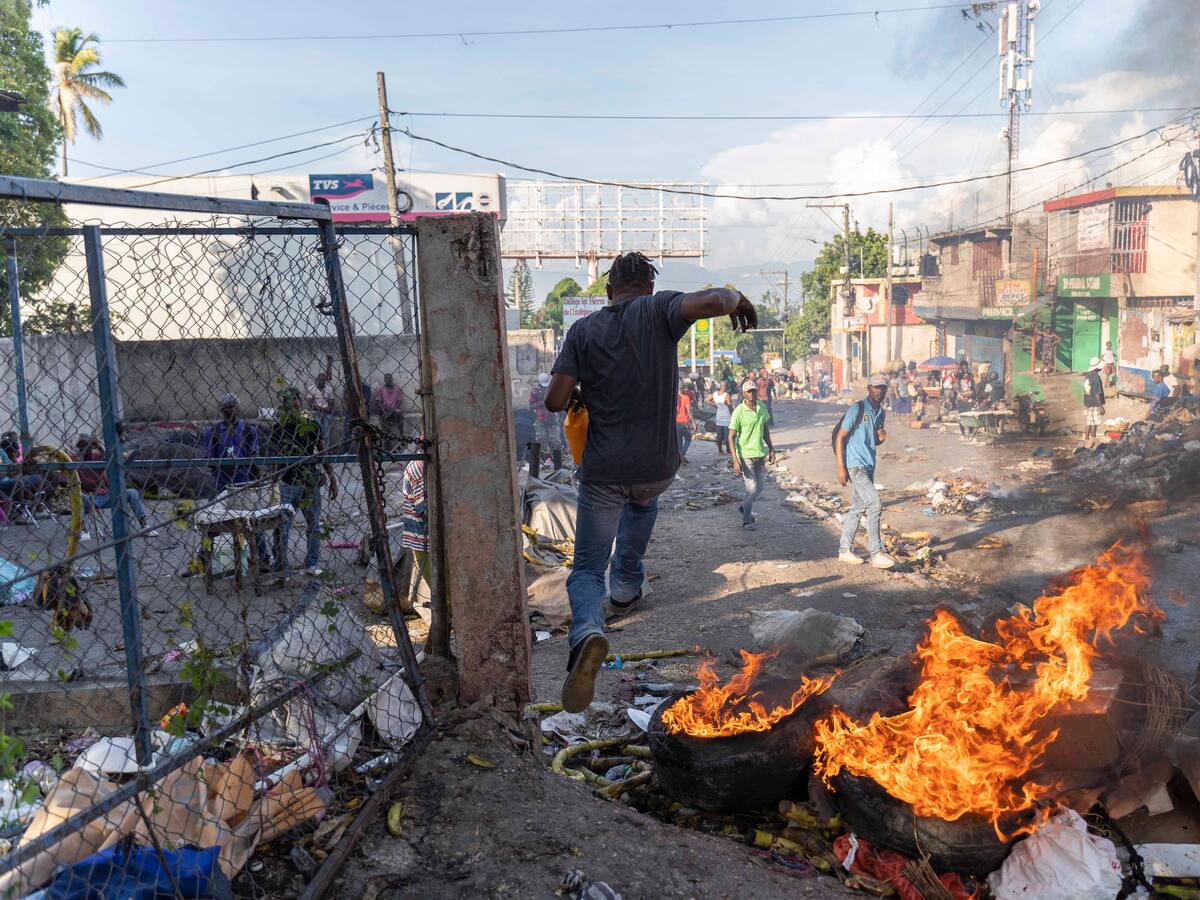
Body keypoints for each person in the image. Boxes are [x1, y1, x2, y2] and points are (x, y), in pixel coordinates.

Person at [544, 251, 758, 712]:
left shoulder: (582, 331)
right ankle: (625, 587)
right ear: (647, 285)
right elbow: (717, 298)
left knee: (585, 569)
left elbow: (554, 398)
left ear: (608, 291)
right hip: (657, 467)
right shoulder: (660, 309)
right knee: (643, 505)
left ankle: (587, 632)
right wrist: (736, 299)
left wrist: (581, 390)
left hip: (604, 470)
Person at [270, 387, 338, 577]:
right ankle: (281, 564)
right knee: (283, 526)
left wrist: (332, 477)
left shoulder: (312, 425)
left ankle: (312, 563)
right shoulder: (279, 428)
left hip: (310, 482)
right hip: (289, 483)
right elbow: (276, 457)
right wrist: (272, 484)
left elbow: (322, 452)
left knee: (313, 524)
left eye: (297, 401)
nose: (295, 405)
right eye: (290, 403)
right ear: (284, 407)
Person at [834, 375, 895, 569]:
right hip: (855, 465)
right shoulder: (857, 409)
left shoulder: (881, 413)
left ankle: (844, 550)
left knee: (857, 509)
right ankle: (876, 553)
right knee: (875, 504)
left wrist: (881, 438)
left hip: (869, 465)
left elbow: (873, 439)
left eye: (883, 388)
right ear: (869, 388)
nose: (880, 391)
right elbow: (840, 438)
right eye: (876, 388)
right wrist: (840, 467)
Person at [74, 435, 158, 536]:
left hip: (106, 495)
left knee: (132, 492)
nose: (85, 449)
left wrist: (99, 446)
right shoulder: (73, 459)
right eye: (82, 446)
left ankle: (144, 526)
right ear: (78, 447)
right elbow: (66, 479)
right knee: (80, 497)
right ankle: (82, 531)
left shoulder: (97, 457)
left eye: (88, 446)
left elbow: (110, 457)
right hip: (88, 498)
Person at [728, 381, 774, 530]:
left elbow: (765, 429)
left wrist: (771, 448)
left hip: (759, 453)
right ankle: (747, 520)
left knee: (760, 488)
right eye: (749, 391)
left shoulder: (762, 407)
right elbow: (731, 437)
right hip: (745, 455)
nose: (752, 394)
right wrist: (735, 460)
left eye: (754, 391)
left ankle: (744, 506)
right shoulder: (738, 412)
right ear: (743, 394)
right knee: (752, 488)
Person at [203, 393, 259, 493]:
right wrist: (223, 464)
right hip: (221, 481)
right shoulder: (212, 432)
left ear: (238, 408)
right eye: (227, 407)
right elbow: (208, 458)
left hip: (244, 480)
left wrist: (241, 463)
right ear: (222, 410)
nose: (230, 410)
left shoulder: (249, 430)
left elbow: (254, 454)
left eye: (233, 406)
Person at [530, 373, 565, 471]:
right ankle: (547, 461)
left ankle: (558, 465)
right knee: (542, 440)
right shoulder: (535, 391)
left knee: (556, 442)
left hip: (552, 419)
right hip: (540, 419)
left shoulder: (552, 390)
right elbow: (531, 406)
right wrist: (542, 403)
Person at [306, 355, 337, 448]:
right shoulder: (311, 388)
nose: (322, 382)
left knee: (326, 429)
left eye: (324, 380)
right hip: (316, 412)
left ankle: (326, 449)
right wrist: (323, 408)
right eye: (320, 380)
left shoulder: (329, 389)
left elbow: (332, 404)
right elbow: (311, 404)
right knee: (320, 428)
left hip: (327, 413)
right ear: (316, 380)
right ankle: (319, 448)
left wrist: (326, 408)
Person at [373, 373, 406, 438]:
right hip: (384, 409)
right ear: (384, 380)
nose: (388, 380)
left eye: (390, 378)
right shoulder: (381, 389)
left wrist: (393, 410)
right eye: (387, 378)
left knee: (400, 414)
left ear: (392, 379)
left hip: (394, 409)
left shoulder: (397, 388)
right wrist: (385, 413)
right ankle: (388, 437)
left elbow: (399, 401)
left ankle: (402, 434)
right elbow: (379, 402)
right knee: (385, 423)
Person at [1082, 356, 1106, 446]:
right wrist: (1101, 406)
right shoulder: (1096, 377)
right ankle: (1092, 440)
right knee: (1094, 424)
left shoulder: (1087, 376)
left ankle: (1086, 440)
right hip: (1095, 403)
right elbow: (1097, 393)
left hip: (1088, 402)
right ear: (1098, 367)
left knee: (1088, 422)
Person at [711, 382, 733, 455]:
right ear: (724, 386)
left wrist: (716, 405)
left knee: (719, 436)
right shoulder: (727, 395)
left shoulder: (715, 394)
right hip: (727, 418)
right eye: (726, 386)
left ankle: (720, 450)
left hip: (719, 418)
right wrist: (733, 415)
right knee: (727, 436)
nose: (726, 388)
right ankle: (728, 450)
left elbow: (707, 400)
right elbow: (730, 407)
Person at [675, 387, 694, 464]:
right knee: (688, 439)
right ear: (682, 390)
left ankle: (680, 456)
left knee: (679, 442)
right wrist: (693, 422)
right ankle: (681, 456)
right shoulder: (686, 398)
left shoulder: (674, 398)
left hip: (676, 423)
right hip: (684, 423)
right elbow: (689, 411)